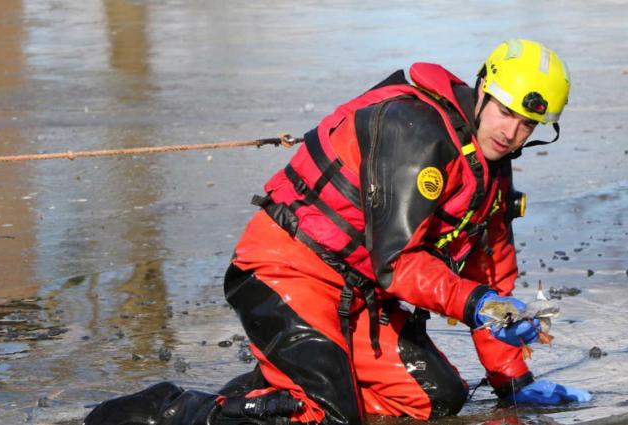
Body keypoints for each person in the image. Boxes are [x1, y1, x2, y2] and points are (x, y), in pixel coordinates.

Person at [84, 38, 591, 425]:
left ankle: (292, 379)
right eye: (506, 113)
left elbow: (491, 274)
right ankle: (166, 411)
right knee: (328, 417)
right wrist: (476, 303)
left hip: (357, 296)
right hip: (287, 270)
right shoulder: (415, 133)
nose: (512, 132)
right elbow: (397, 264)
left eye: (528, 125)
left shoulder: (492, 173)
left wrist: (513, 379)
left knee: (438, 399)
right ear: (483, 90)